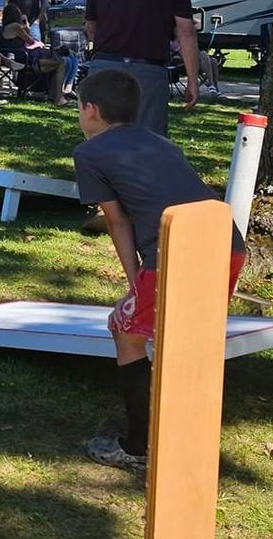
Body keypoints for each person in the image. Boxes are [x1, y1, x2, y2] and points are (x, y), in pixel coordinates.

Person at [71, 69, 246, 471]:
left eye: (80, 109)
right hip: (227, 240)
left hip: (176, 248)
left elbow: (116, 221)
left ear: (91, 110)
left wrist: (135, 278)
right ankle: (186, 432)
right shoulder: (159, 141)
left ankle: (138, 446)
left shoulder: (89, 153)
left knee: (126, 331)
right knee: (187, 336)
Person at [84, 0, 197, 134]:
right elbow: (186, 32)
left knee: (100, 136)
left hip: (104, 65)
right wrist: (192, 80)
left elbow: (91, 25)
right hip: (148, 70)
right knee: (147, 138)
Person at [0, 5, 67, 105]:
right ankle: (58, 98)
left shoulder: (2, 28)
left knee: (50, 55)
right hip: (26, 60)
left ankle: (51, 94)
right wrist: (26, 24)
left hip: (17, 58)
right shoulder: (16, 26)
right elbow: (30, 40)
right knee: (60, 64)